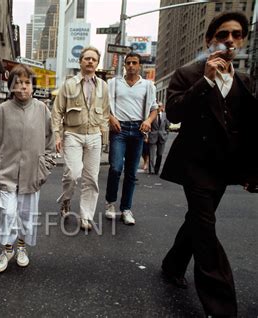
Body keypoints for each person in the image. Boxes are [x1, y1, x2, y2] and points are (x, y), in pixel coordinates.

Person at [160, 12, 258, 317]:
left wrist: (252, 171)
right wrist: (205, 80)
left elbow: (249, 128)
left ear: (242, 41)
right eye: (223, 34)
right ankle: (222, 307)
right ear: (210, 40)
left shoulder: (243, 80)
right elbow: (173, 113)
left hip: (224, 168)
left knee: (198, 221)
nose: (230, 40)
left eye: (237, 35)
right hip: (195, 166)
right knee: (205, 228)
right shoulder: (189, 74)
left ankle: (172, 264)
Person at [0, 64, 56, 273]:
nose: (23, 87)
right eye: (18, 83)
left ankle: (21, 247)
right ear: (11, 87)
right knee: (8, 212)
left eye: (27, 83)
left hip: (32, 173)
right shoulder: (2, 110)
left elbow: (50, 140)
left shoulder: (42, 109)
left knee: (26, 215)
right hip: (6, 171)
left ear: (33, 86)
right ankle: (7, 249)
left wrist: (45, 167)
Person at [51, 46, 110, 231]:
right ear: (81, 61)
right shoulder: (69, 84)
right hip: (73, 135)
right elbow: (57, 111)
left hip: (94, 135)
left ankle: (86, 216)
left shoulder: (103, 86)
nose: (90, 61)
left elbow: (106, 113)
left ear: (97, 63)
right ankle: (66, 200)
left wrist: (104, 137)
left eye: (94, 59)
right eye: (87, 58)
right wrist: (57, 135)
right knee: (73, 174)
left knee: (91, 178)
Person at [104, 52, 158, 225]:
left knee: (131, 173)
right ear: (124, 65)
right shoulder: (114, 83)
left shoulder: (148, 86)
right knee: (115, 167)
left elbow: (155, 108)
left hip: (137, 129)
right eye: (128, 63)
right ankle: (110, 203)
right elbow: (104, 104)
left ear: (139, 65)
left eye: (135, 62)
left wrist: (149, 121)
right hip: (118, 129)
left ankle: (126, 208)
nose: (131, 66)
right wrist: (111, 118)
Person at [148, 102, 169, 174]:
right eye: (157, 106)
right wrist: (148, 135)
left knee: (160, 154)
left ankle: (157, 169)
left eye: (159, 106)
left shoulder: (165, 116)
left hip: (162, 137)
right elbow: (148, 125)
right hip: (153, 136)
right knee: (151, 154)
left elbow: (167, 127)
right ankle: (151, 170)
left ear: (162, 107)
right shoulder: (151, 115)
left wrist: (166, 135)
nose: (158, 108)